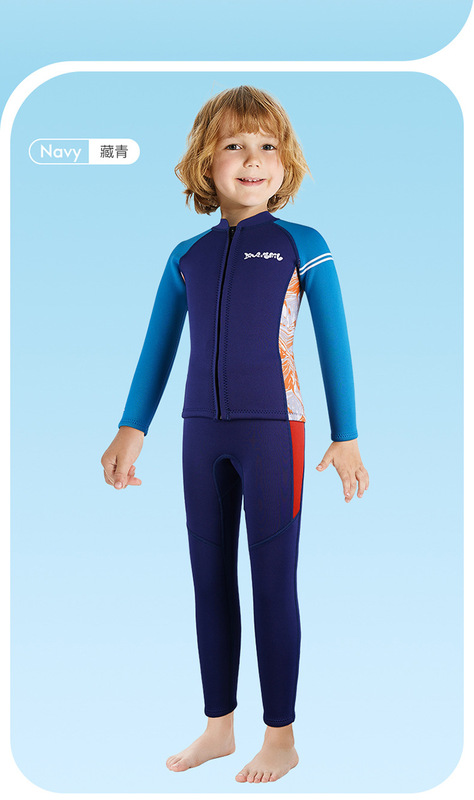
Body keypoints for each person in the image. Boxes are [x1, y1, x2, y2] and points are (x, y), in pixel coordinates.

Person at [100, 85, 369, 784]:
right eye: (234, 145)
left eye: (268, 146)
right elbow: (158, 347)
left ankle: (280, 737)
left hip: (275, 431)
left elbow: (334, 341)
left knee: (273, 581)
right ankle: (219, 728)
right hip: (200, 433)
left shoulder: (302, 245)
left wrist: (346, 435)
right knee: (209, 579)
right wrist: (131, 427)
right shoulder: (185, 256)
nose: (253, 160)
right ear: (205, 162)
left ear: (286, 162)